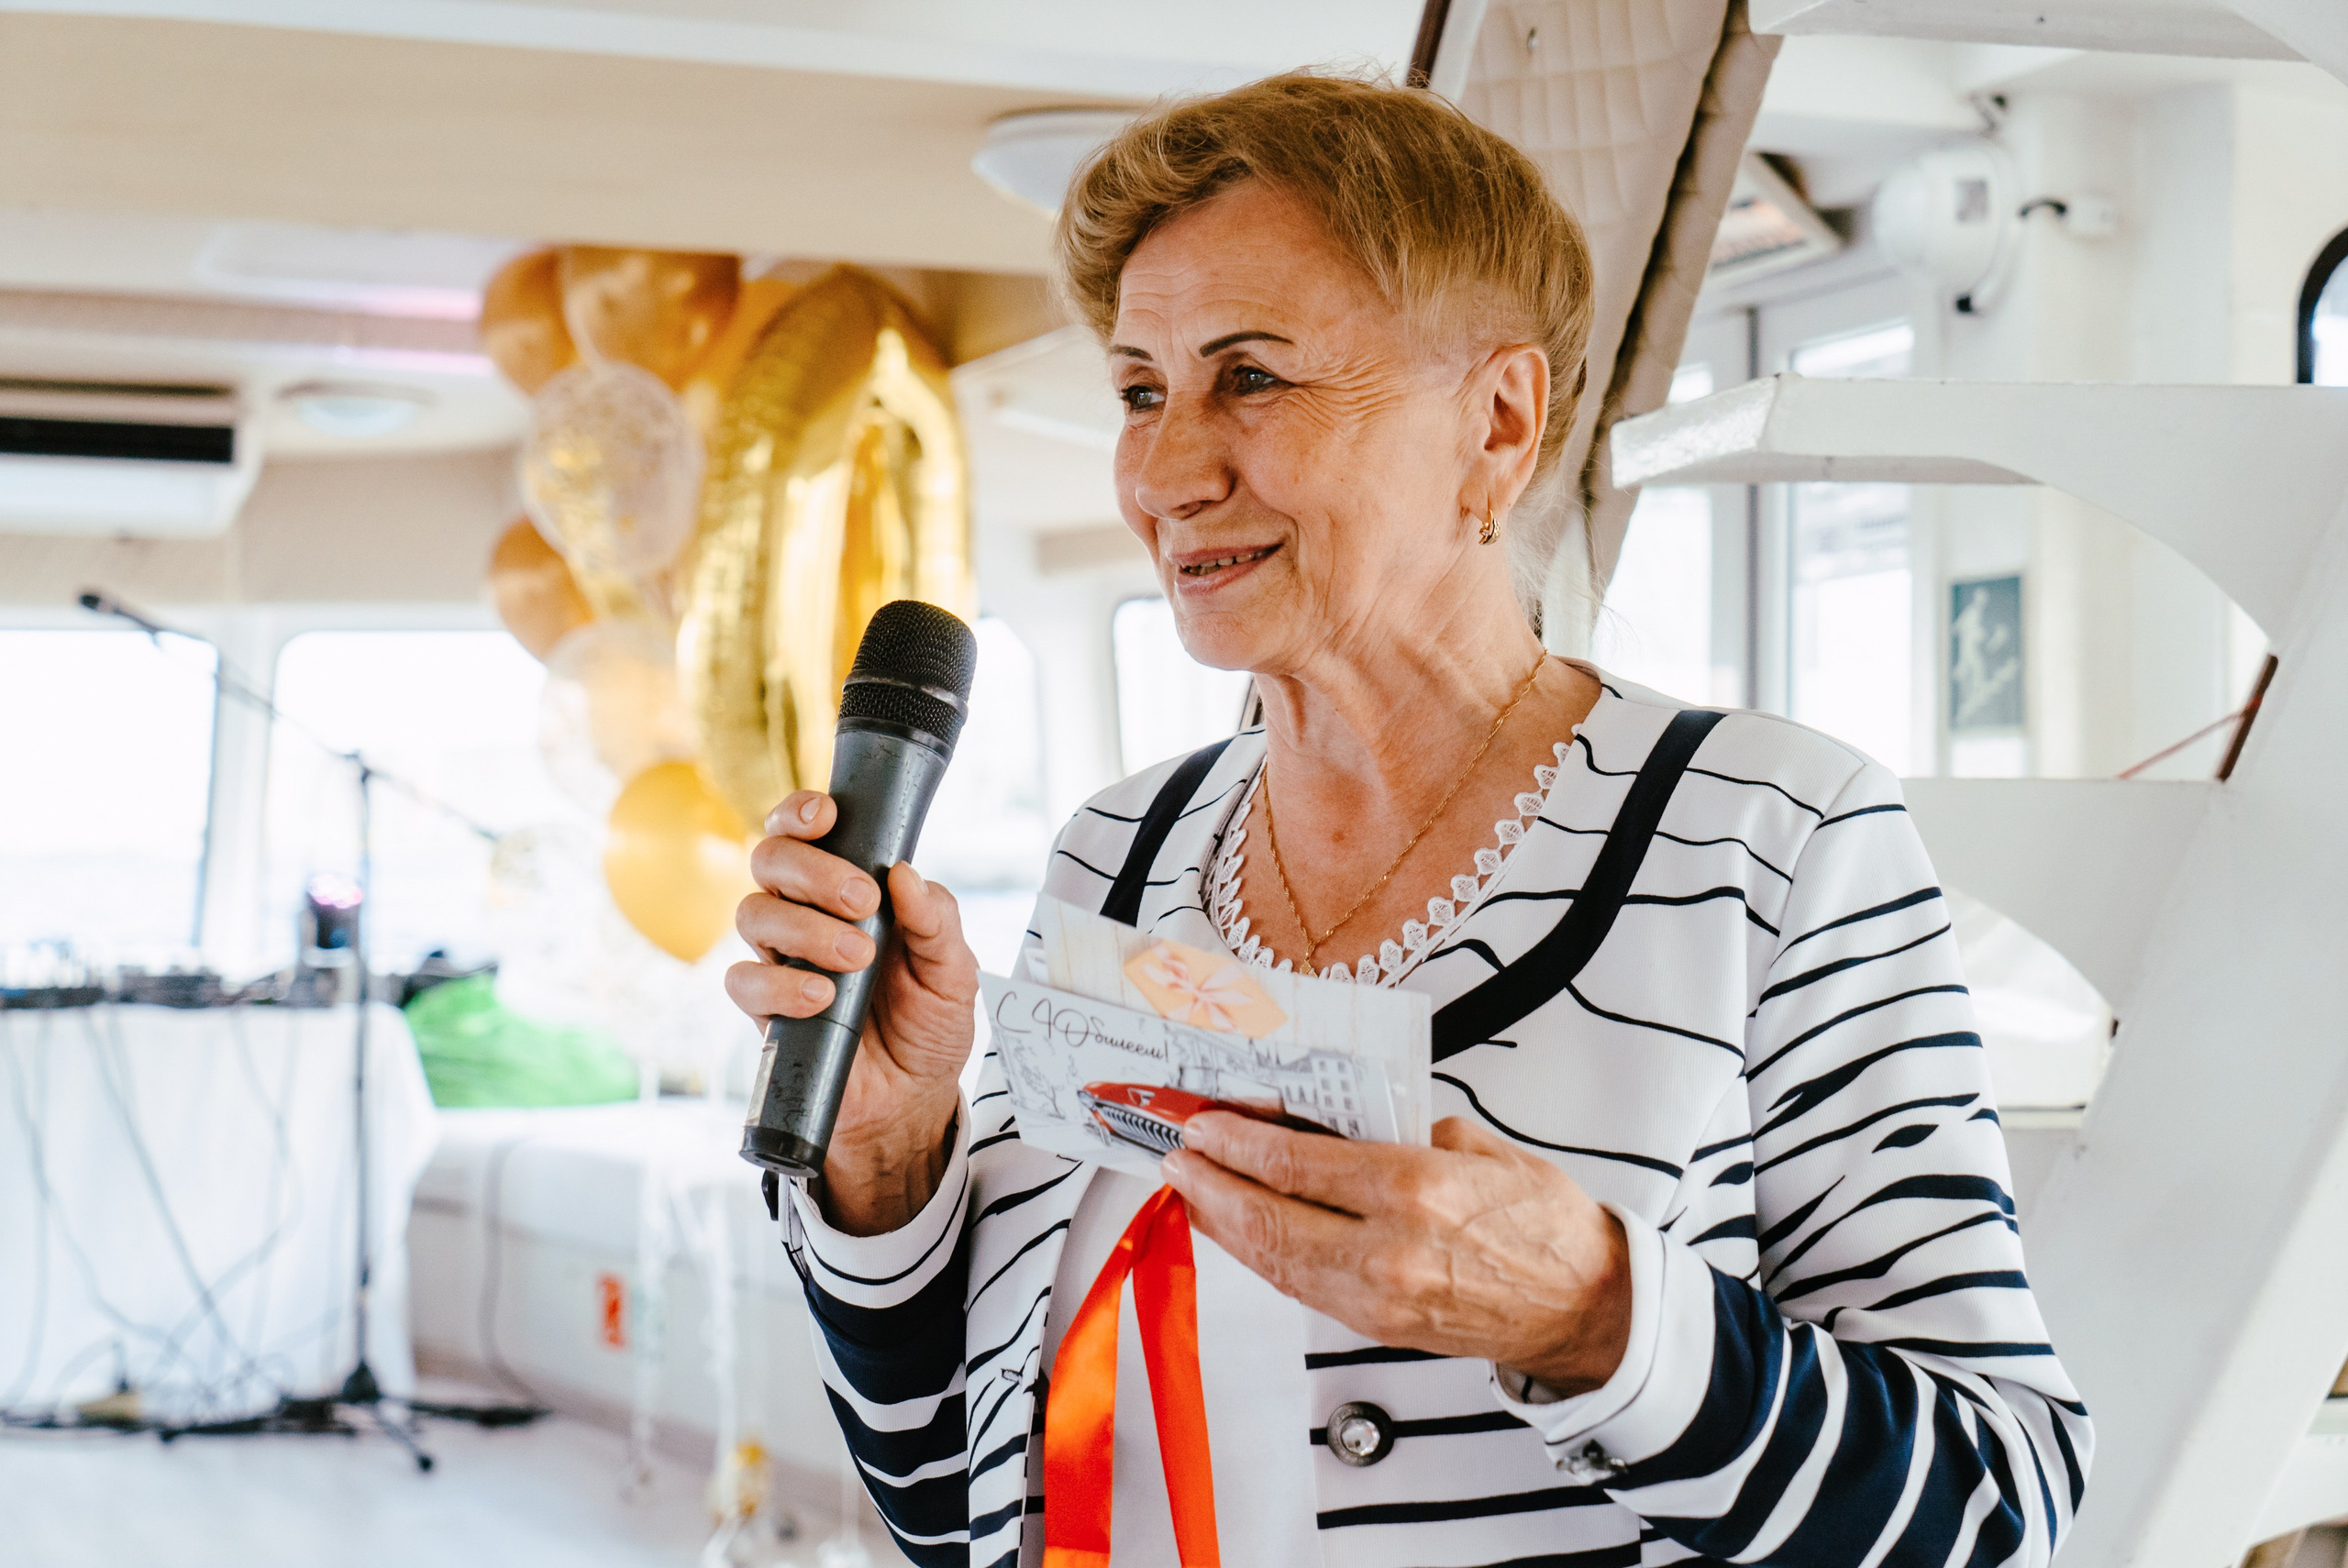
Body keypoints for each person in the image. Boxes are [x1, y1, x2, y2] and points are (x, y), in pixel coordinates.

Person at [729, 71, 2089, 1568]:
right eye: (1138, 389)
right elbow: (957, 1501)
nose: (1165, 471)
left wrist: (1588, 1313)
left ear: (1498, 422)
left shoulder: (1774, 838)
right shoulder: (1116, 855)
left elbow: (1997, 1501)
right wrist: (887, 1154)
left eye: (1250, 376)